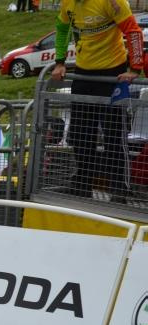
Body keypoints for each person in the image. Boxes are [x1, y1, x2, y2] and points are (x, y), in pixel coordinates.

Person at [51, 0, 143, 203]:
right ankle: (82, 184)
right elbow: (62, 29)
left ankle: (119, 187)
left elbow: (133, 31)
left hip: (113, 73)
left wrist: (134, 68)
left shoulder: (112, 2)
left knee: (114, 133)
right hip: (84, 73)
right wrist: (59, 62)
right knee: (80, 133)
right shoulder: (68, 3)